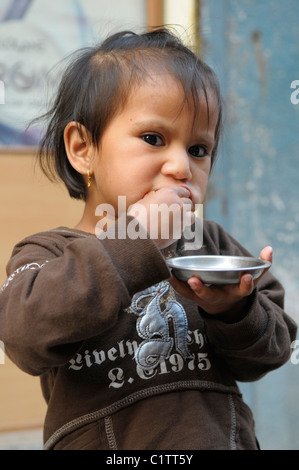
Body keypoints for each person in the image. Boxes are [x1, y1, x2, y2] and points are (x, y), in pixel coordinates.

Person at [0, 28, 297, 451]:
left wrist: (235, 309)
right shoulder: (50, 254)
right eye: (153, 139)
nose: (180, 166)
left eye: (198, 149)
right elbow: (22, 335)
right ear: (83, 148)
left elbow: (272, 349)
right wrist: (134, 239)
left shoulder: (208, 243)